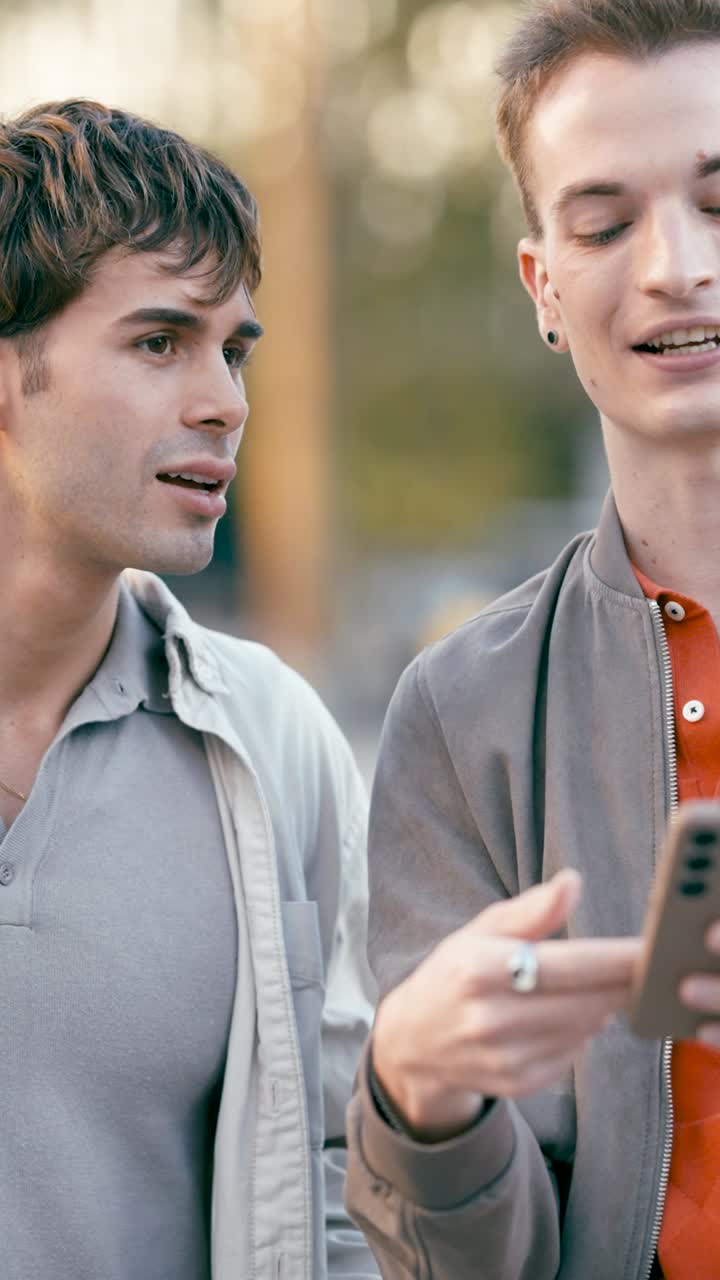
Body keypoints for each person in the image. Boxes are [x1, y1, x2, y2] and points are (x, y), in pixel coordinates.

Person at [344, 2, 720, 1277]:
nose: (676, 265)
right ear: (543, 286)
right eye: (606, 223)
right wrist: (420, 1095)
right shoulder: (461, 716)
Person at [0, 98, 379, 1280]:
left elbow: (343, 1181)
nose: (225, 401)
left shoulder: (275, 741)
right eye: (161, 341)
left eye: (235, 349)